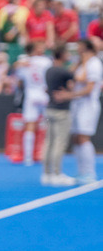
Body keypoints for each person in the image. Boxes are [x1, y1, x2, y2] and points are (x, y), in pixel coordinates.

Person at [69, 39, 103, 183]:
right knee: (76, 138)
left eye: (79, 46)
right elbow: (70, 75)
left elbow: (89, 88)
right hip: (77, 104)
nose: (77, 49)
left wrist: (69, 95)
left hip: (88, 105)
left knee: (83, 137)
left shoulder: (94, 63)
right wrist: (79, 62)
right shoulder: (81, 62)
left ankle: (90, 172)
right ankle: (81, 171)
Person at [42, 46, 76, 186]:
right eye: (67, 53)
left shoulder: (49, 70)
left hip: (50, 109)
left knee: (49, 142)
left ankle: (46, 173)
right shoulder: (63, 71)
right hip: (61, 110)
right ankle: (56, 173)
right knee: (59, 143)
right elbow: (76, 79)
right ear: (62, 54)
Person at [16, 41, 51, 166]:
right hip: (44, 93)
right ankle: (48, 155)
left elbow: (19, 81)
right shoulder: (46, 61)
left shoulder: (23, 62)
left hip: (31, 94)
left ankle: (28, 158)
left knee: (30, 125)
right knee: (48, 125)